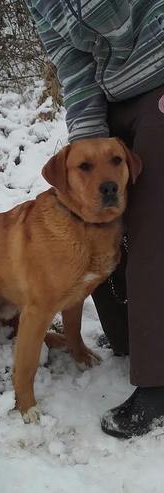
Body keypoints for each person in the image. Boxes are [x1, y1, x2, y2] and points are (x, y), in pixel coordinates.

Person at [25, 0, 164, 439]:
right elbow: (73, 62)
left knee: (151, 228)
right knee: (93, 223)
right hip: (110, 98)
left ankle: (158, 380)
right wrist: (86, 142)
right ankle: (127, 339)